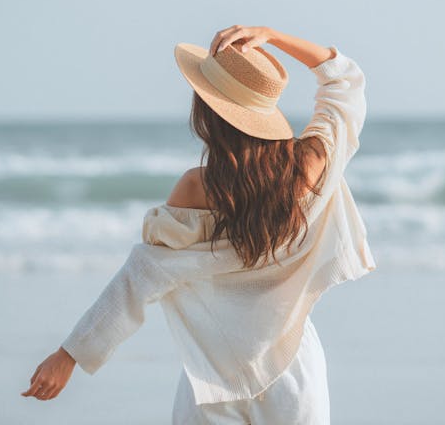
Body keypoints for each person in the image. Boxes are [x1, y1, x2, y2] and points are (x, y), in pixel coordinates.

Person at [21, 25, 376, 424]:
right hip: (294, 368)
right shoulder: (311, 166)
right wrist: (272, 37)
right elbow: (343, 80)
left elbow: (140, 278)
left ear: (208, 111)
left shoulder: (196, 188)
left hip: (211, 374)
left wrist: (69, 355)